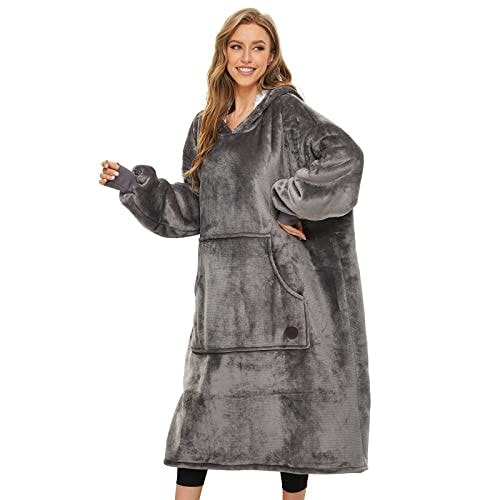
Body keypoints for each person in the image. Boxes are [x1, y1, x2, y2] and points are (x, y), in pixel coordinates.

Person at [99, 7, 370, 500]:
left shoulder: (287, 114)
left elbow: (345, 158)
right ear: (223, 52)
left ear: (271, 57)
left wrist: (289, 201)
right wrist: (136, 187)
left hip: (280, 297)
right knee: (198, 429)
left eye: (258, 47)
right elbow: (192, 210)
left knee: (293, 425)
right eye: (237, 46)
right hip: (223, 303)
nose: (246, 57)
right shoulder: (205, 125)